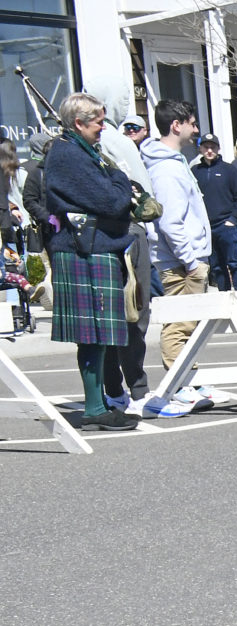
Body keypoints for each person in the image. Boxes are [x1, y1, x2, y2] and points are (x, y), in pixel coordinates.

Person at [40, 91, 142, 431]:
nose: (103, 127)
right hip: (83, 250)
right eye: (97, 121)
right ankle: (95, 408)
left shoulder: (83, 150)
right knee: (92, 334)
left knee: (97, 335)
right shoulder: (67, 154)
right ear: (79, 123)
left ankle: (97, 406)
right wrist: (121, 181)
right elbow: (112, 200)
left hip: (94, 248)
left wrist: (116, 183)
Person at [135, 100, 214, 414]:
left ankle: (187, 382)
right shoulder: (166, 168)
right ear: (176, 125)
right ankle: (176, 386)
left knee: (191, 326)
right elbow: (170, 221)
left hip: (185, 258)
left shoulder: (175, 161)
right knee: (180, 325)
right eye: (192, 123)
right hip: (180, 261)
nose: (196, 130)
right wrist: (191, 260)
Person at [193, 137, 237, 290]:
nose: (209, 150)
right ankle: (225, 300)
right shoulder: (195, 172)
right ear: (200, 149)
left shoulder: (229, 170)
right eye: (206, 147)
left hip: (226, 225)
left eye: (213, 147)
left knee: (234, 264)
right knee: (217, 266)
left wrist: (233, 219)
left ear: (218, 149)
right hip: (206, 228)